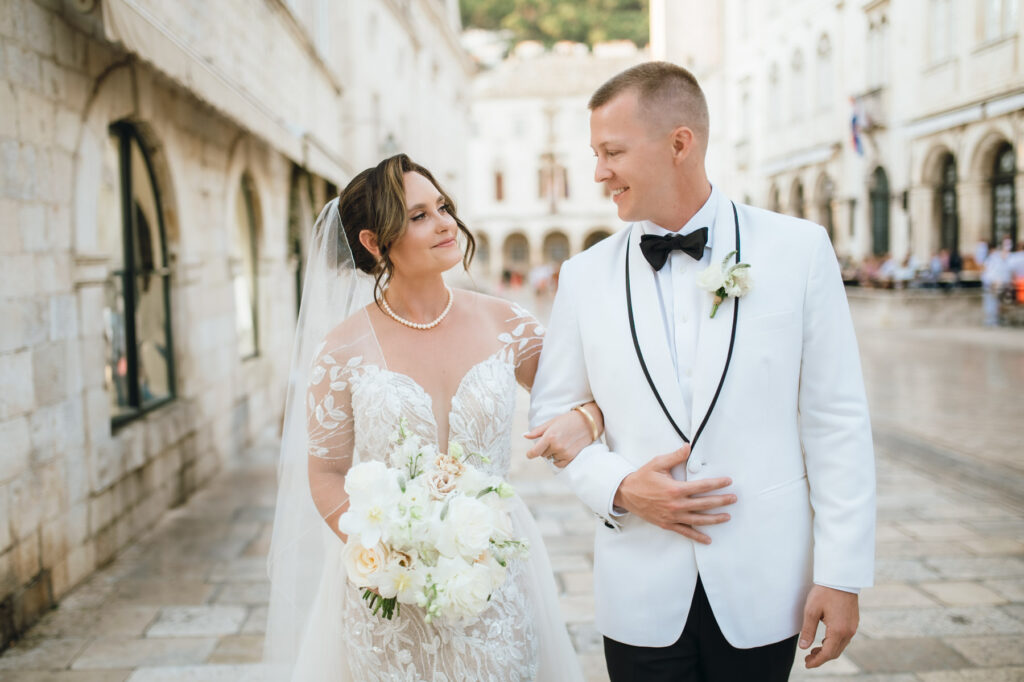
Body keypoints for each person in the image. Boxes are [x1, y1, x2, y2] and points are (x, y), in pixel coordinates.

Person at [526, 62, 875, 681]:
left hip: (766, 587)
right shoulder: (583, 277)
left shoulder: (799, 251)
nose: (599, 172)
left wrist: (841, 572)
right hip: (639, 592)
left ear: (679, 144)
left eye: (612, 152)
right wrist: (620, 485)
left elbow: (836, 419)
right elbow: (552, 417)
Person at [265, 154, 595, 681]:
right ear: (375, 243)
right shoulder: (341, 349)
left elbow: (593, 391)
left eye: (441, 207)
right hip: (389, 595)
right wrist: (384, 550)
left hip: (494, 573)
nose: (444, 223)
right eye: (418, 216)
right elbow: (325, 472)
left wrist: (588, 421)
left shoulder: (506, 323)